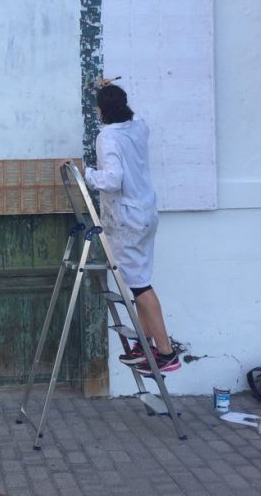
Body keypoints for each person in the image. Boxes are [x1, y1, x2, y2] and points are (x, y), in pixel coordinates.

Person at [83, 84, 181, 375]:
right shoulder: (138, 128)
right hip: (145, 212)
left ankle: (166, 353)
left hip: (128, 220)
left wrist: (85, 173)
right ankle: (145, 344)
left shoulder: (108, 136)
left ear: (102, 111)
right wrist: (109, 91)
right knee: (138, 283)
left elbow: (113, 180)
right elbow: (135, 118)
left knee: (139, 287)